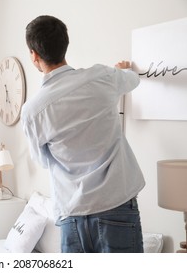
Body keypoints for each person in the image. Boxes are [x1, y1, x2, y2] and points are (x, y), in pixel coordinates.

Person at [21, 15, 146, 253]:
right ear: (65, 45)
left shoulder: (32, 111)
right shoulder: (102, 77)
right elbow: (132, 80)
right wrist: (120, 70)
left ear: (34, 55)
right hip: (115, 206)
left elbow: (42, 161)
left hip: (71, 216)